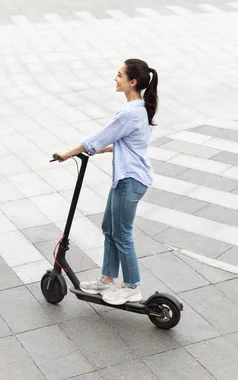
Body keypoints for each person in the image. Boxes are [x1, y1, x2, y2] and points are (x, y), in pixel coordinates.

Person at [53, 58, 158, 305]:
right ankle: (107, 280)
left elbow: (98, 138)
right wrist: (101, 150)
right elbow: (129, 142)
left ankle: (132, 286)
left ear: (132, 82)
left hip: (129, 180)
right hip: (128, 178)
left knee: (122, 234)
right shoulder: (142, 108)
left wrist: (67, 154)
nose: (115, 78)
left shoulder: (129, 113)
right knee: (109, 229)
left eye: (119, 75)